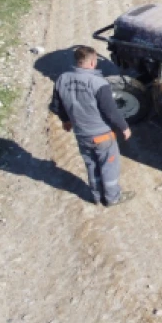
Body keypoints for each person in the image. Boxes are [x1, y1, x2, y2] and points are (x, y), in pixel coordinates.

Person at [50, 46, 133, 206]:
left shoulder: (62, 79)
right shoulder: (98, 83)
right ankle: (112, 198)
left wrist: (66, 121)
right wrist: (124, 127)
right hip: (102, 135)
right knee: (109, 165)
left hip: (81, 135)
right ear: (93, 62)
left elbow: (56, 105)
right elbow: (110, 110)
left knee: (91, 164)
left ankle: (95, 196)